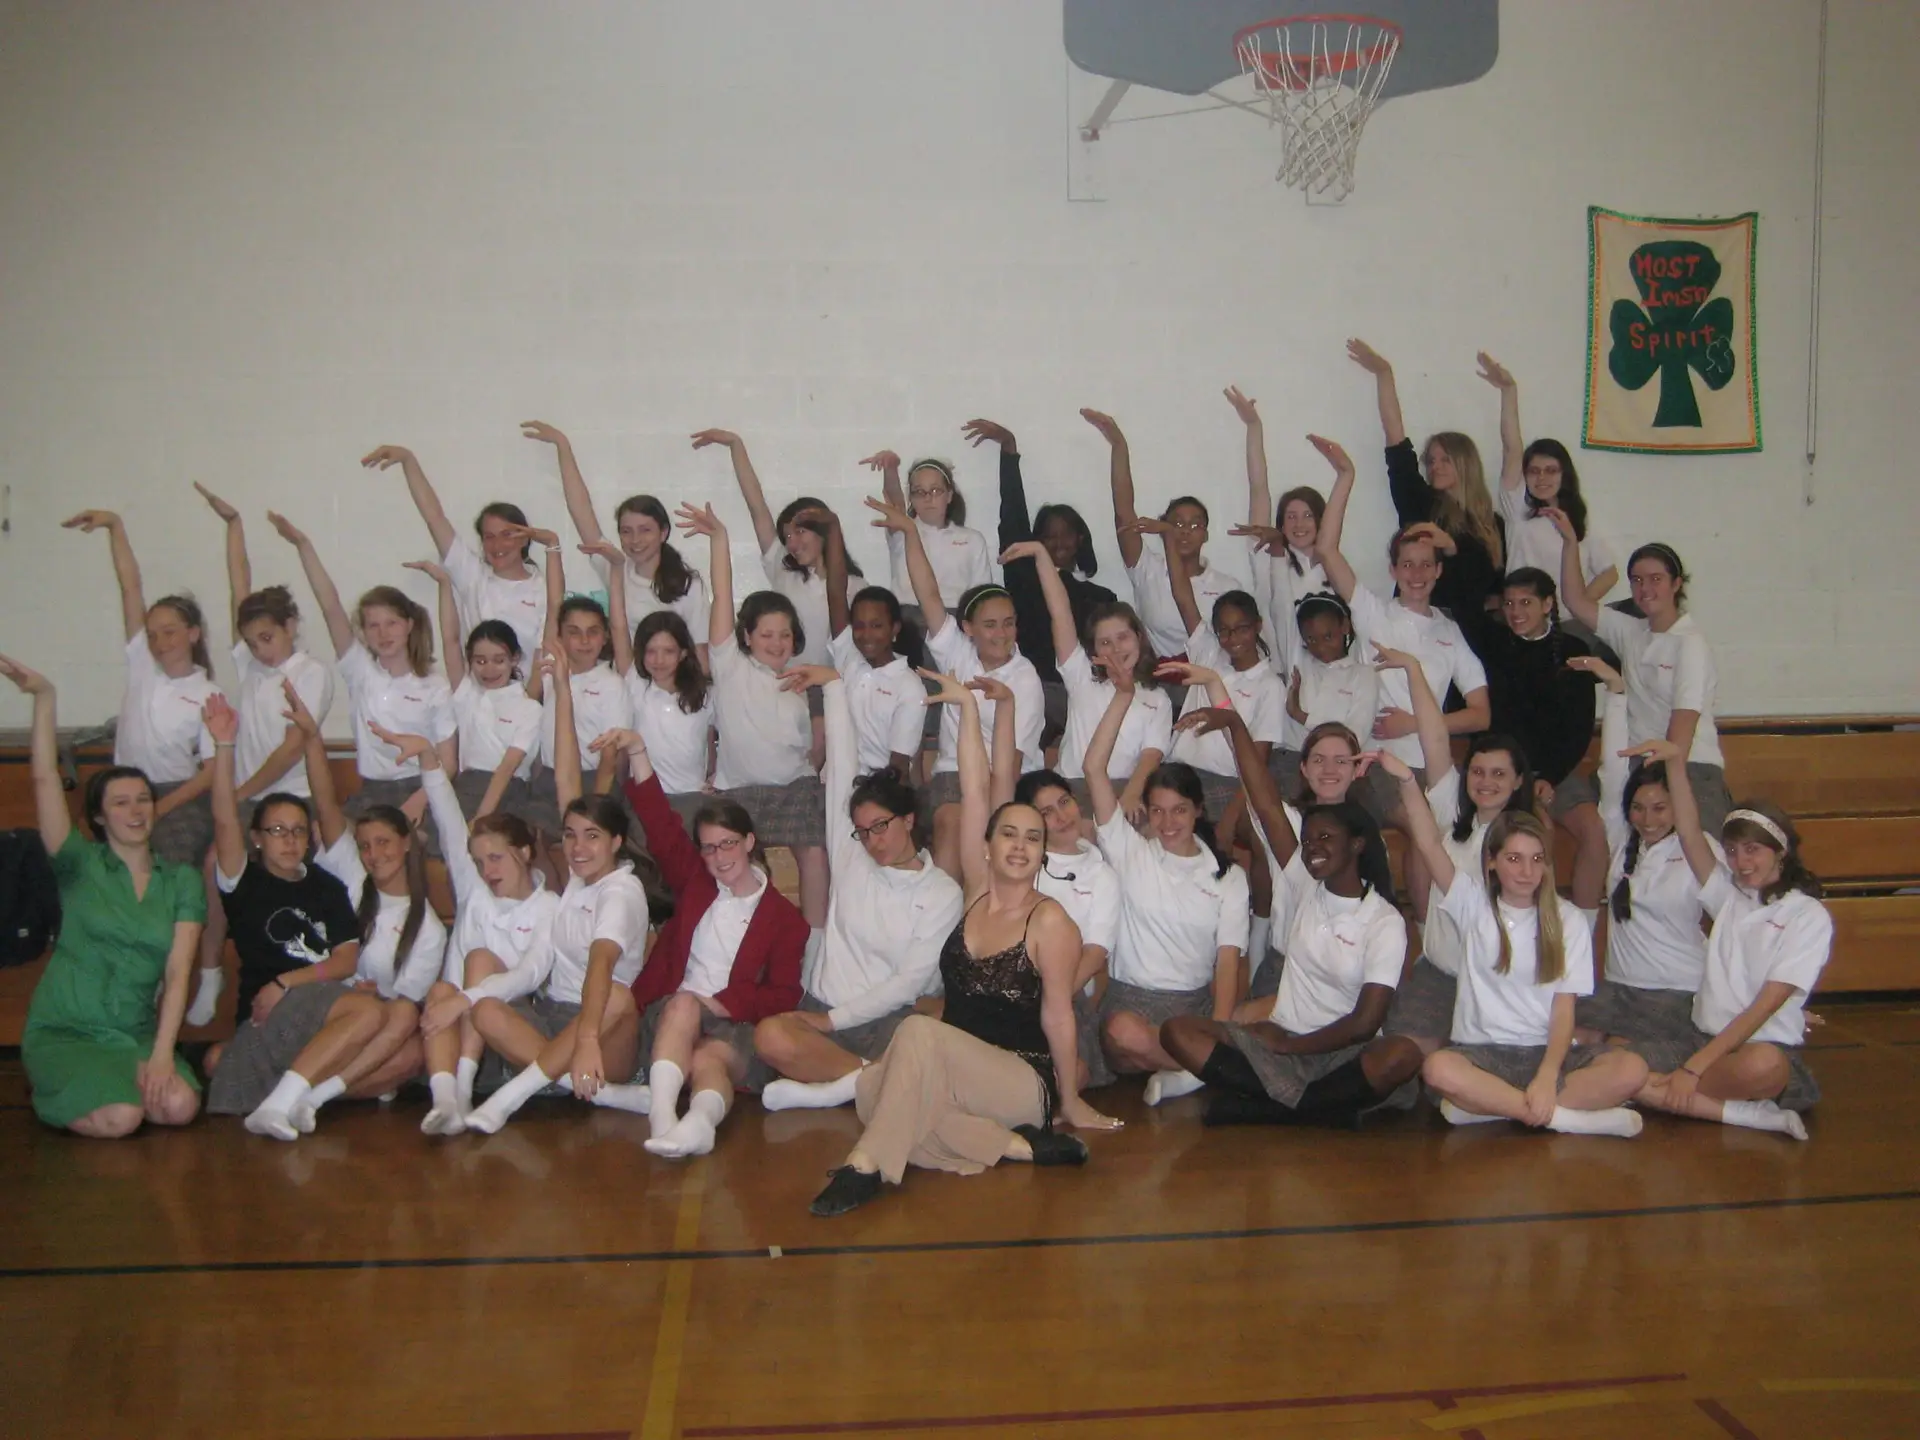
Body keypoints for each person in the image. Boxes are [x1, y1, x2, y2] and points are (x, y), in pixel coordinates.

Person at [806, 672, 1121, 1218]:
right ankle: (1014, 1147)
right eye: (1009, 834)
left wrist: (1069, 1101)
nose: (1020, 846)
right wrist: (969, 712)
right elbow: (976, 789)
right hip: (959, 1070)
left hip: (1021, 1077)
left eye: (1033, 838)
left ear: (1043, 852)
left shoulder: (1051, 922)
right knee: (872, 1092)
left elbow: (1059, 1016)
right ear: (988, 845)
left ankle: (864, 1165)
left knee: (913, 1039)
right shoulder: (976, 894)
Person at [1158, 706, 1422, 1127]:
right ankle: (1318, 1108)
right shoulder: (1304, 880)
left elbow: (1364, 1023)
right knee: (1177, 1031)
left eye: (1324, 839)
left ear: (1356, 845)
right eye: (1308, 840)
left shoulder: (1383, 919)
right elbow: (1264, 801)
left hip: (1340, 1050)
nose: (1312, 848)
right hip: (1283, 1038)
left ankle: (1269, 1107)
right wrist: (1235, 725)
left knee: (1402, 1054)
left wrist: (1292, 1048)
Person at [1381, 751, 1650, 1136]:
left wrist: (1547, 1075)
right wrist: (1408, 781)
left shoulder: (1568, 918)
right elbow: (1427, 843)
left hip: (1547, 1052)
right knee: (1438, 1068)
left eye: (1536, 859)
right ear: (1492, 862)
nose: (1527, 871)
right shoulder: (1472, 905)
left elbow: (1564, 1011)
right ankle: (1564, 1118)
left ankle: (1492, 1107)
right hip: (1483, 1053)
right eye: (1514, 859)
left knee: (1632, 1069)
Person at [463, 651, 668, 1133]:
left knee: (618, 997)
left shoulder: (622, 891)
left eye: (592, 837)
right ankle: (601, 1094)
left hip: (604, 1030)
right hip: (554, 1018)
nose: (577, 847)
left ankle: (513, 1095)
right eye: (571, 835)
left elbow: (600, 965)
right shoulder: (578, 877)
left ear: (616, 843)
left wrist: (589, 1039)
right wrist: (560, 690)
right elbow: (567, 777)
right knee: (485, 1009)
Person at [5, 655, 203, 1138]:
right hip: (66, 1031)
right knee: (122, 1119)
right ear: (99, 816)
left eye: (143, 799)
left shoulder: (180, 881)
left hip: (132, 1035)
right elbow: (44, 779)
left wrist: (162, 1053)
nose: (136, 811)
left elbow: (178, 973)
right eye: (121, 802)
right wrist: (45, 697)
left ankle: (115, 1083)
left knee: (179, 1106)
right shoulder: (78, 863)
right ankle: (53, 1086)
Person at [590, 719, 807, 1158]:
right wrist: (638, 751)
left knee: (709, 1059)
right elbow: (660, 824)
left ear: (749, 841)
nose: (718, 857)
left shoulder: (786, 920)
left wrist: (724, 1004)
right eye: (708, 847)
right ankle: (664, 1118)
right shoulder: (696, 882)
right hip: (669, 1015)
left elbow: (785, 994)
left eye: (728, 844)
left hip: (733, 1024)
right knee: (685, 1004)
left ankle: (699, 1124)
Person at [751, 671, 965, 1111]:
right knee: (770, 1036)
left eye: (881, 826)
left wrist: (834, 1022)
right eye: (863, 831)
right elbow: (842, 767)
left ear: (908, 820)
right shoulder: (852, 857)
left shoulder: (942, 892)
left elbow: (910, 984)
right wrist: (833, 687)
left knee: (941, 1030)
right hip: (822, 1007)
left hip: (886, 1020)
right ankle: (870, 1080)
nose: (872, 840)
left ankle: (840, 1085)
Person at [1616, 739, 1829, 1140]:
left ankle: (1665, 1092)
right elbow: (1689, 831)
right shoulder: (1727, 895)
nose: (1741, 862)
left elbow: (1765, 1006)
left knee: (1764, 1065)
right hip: (1699, 1038)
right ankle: (1745, 1115)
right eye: (1731, 851)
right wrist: (1675, 763)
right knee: (1612, 1067)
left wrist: (1692, 1069)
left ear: (1781, 852)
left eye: (1753, 850)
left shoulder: (1806, 915)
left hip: (1754, 1049)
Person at [186, 483, 337, 1028]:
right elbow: (239, 585)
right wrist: (234, 525)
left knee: (285, 879)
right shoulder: (251, 666)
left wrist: (240, 793)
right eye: (250, 641)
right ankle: (210, 971)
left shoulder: (310, 673)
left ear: (290, 627)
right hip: (247, 799)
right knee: (213, 867)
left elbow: (292, 747)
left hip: (289, 797)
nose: (258, 649)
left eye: (267, 637)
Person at [202, 695, 382, 1139]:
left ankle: (289, 1096)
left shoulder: (326, 885)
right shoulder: (243, 881)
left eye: (298, 831)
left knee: (393, 1023)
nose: (289, 840)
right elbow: (224, 819)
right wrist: (224, 746)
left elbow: (345, 960)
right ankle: (282, 1096)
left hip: (308, 998)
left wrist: (287, 981)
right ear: (257, 838)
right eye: (277, 830)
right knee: (368, 1013)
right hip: (271, 1014)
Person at [1082, 672, 1250, 1105]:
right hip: (1131, 1003)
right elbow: (1093, 769)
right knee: (1123, 1033)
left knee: (1256, 1014)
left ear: (1198, 811)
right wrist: (1124, 695)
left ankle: (1190, 1069)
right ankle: (1202, 1070)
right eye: (1157, 811)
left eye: (1179, 810)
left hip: (1191, 1005)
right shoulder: (1130, 851)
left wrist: (1219, 1028)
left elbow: (1227, 963)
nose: (1168, 822)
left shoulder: (1228, 877)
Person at [1314, 432, 1490, 824]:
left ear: (1439, 571)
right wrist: (1345, 476)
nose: (1417, 574)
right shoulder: (1374, 614)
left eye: (1426, 564)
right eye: (1407, 564)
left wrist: (1415, 724)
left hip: (1436, 763)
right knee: (1422, 826)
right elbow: (1326, 550)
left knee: (1452, 829)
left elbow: (1481, 715)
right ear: (1393, 570)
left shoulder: (1450, 631)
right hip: (1381, 763)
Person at [872, 493, 1044, 880]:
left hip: (1007, 779)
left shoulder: (1025, 677)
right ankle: (947, 915)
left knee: (989, 841)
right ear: (968, 628)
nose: (1002, 634)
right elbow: (928, 593)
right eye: (990, 625)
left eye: (1009, 623)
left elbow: (1010, 767)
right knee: (950, 827)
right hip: (952, 774)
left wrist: (994, 820)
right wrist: (911, 532)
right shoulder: (958, 652)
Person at [675, 502, 830, 929]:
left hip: (794, 788)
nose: (777, 643)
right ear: (746, 636)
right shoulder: (731, 665)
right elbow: (722, 595)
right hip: (740, 792)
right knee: (740, 861)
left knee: (816, 852)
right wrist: (719, 538)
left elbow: (817, 747)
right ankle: (742, 937)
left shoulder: (804, 679)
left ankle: (815, 941)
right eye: (766, 635)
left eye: (785, 635)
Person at [1377, 647, 1536, 1055]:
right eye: (1478, 772)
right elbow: (1434, 738)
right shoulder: (1455, 812)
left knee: (1459, 1070)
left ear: (1519, 781)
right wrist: (1413, 669)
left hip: (1495, 979)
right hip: (1440, 973)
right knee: (1398, 1056)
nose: (1485, 782)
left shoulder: (1526, 839)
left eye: (1499, 774)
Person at [411, 722, 562, 1135]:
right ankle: (448, 1101)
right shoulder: (475, 890)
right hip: (453, 1033)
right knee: (440, 991)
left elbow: (529, 975)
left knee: (476, 962)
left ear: (524, 853)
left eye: (495, 858)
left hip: (506, 1026)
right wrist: (427, 756)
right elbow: (447, 818)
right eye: (479, 862)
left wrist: (465, 1000)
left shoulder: (549, 906)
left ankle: (462, 1089)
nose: (486, 870)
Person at [1571, 660, 1721, 1052]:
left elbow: (1738, 925)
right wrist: (1616, 693)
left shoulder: (1698, 849)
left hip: (1677, 991)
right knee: (1566, 1039)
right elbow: (1613, 770)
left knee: (1618, 1053)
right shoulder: (1623, 838)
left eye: (1659, 808)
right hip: (1618, 989)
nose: (1648, 819)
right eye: (1638, 808)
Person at [1549, 517, 1733, 836]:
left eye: (1655, 579)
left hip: (1688, 768)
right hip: (1637, 766)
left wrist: (1660, 792)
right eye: (1637, 580)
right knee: (1559, 793)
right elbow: (1575, 601)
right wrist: (1570, 542)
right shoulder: (1632, 631)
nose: (1645, 589)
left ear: (1676, 584)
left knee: (1693, 857)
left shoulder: (1689, 644)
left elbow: (1680, 737)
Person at [269, 510, 456, 823]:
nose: (383, 634)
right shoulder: (360, 671)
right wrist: (303, 545)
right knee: (331, 838)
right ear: (364, 632)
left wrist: (417, 803)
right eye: (373, 626)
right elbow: (329, 605)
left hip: (422, 789)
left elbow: (448, 764)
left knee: (413, 842)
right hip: (372, 791)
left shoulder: (435, 686)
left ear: (409, 625)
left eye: (391, 623)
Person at [61, 509, 220, 868]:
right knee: (106, 866)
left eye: (170, 632)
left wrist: (160, 807)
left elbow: (211, 771)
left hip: (177, 795)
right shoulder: (143, 667)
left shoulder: (208, 694)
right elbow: (130, 587)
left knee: (170, 862)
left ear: (193, 634)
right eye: (152, 634)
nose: (160, 642)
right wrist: (115, 526)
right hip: (125, 787)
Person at [999, 538, 1170, 823]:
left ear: (1139, 638)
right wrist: (1041, 554)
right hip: (1070, 788)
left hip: (1123, 788)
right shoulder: (1082, 675)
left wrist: (1132, 793)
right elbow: (1060, 613)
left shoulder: (1157, 697)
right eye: (1105, 642)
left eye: (1123, 638)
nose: (1115, 649)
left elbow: (1151, 756)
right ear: (1094, 649)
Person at [1344, 341, 1504, 646]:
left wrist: (1452, 546)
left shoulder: (1492, 524)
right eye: (1430, 461)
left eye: (1445, 460)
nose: (1435, 467)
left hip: (1470, 636)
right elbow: (1396, 441)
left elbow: (1489, 586)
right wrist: (1384, 374)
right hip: (1418, 628)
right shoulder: (1421, 502)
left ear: (1465, 463)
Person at [971, 416, 1116, 745]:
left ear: (1080, 539)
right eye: (1049, 536)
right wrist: (1009, 450)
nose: (1059, 543)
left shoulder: (1102, 597)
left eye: (1066, 535)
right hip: (1033, 689)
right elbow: (1012, 516)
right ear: (1036, 543)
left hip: (1082, 695)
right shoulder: (1024, 579)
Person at [525, 418, 712, 669]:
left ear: (663, 532)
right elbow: (581, 512)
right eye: (626, 531)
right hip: (625, 680)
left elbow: (701, 652)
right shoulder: (616, 567)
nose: (635, 540)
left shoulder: (688, 585)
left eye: (645, 530)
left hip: (671, 685)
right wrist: (563, 445)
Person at [1481, 566, 1607, 922]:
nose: (1515, 612)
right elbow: (1497, 727)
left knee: (1595, 832)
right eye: (1509, 604)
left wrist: (1550, 776)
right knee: (1540, 831)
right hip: (1510, 772)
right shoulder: (1495, 649)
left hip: (1559, 770)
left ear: (1547, 604)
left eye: (1525, 603)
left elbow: (1579, 729)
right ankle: (1535, 923)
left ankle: (1583, 931)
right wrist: (1525, 779)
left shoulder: (1573, 651)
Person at [1082, 408, 1245, 661]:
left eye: (1195, 525)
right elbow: (1124, 514)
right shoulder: (1148, 568)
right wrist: (1119, 445)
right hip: (1158, 676)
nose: (1185, 531)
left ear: (1206, 535)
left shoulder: (1227, 586)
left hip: (1212, 678)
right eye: (1177, 523)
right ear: (1162, 529)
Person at [692, 426, 860, 669]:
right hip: (780, 684)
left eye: (800, 532)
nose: (792, 543)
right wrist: (735, 444)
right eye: (787, 536)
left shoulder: (855, 586)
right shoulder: (783, 569)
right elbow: (757, 506)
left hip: (830, 685)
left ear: (823, 531)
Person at [364, 443, 548, 663]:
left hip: (533, 686)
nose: (497, 545)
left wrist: (529, 690)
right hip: (478, 685)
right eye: (489, 536)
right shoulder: (474, 576)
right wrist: (408, 460)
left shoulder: (544, 589)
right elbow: (434, 517)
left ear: (525, 538)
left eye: (507, 535)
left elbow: (545, 653)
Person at [1008, 769, 1122, 1093]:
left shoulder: (1102, 875)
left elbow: (1096, 953)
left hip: (1070, 994)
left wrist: (1049, 1001)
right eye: (1047, 812)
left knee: (1066, 1075)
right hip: (1017, 989)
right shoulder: (1021, 864)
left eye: (1064, 802)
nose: (1061, 816)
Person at [406, 556, 543, 824]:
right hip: (465, 786)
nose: (489, 669)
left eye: (498, 660)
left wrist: (481, 819)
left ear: (515, 659)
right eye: (480, 661)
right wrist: (444, 583)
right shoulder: (466, 693)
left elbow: (507, 768)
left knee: (487, 840)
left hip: (508, 792)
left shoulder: (529, 707)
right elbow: (450, 639)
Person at [815, 505, 925, 780]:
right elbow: (836, 591)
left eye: (877, 626)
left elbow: (899, 766)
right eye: (859, 626)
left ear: (894, 629)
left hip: (880, 785)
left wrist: (876, 801)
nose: (866, 635)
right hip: (837, 781)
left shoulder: (909, 686)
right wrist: (833, 528)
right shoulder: (849, 657)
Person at [527, 538, 633, 822]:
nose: (584, 641)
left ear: (605, 636)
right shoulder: (550, 668)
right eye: (574, 632)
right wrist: (552, 548)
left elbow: (610, 756)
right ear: (560, 636)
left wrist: (595, 808)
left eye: (593, 632)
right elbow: (554, 603)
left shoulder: (612, 684)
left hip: (594, 780)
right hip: (548, 778)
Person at [868, 449, 994, 612]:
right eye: (919, 492)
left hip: (955, 616)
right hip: (907, 616)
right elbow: (895, 505)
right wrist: (890, 469)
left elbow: (981, 596)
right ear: (911, 498)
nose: (927, 498)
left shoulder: (972, 539)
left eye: (935, 491)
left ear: (949, 496)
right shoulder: (903, 531)